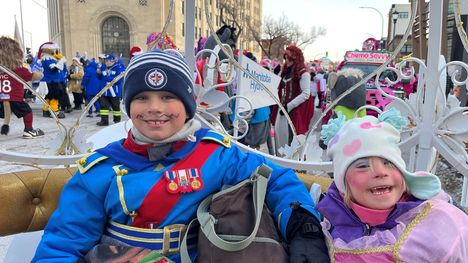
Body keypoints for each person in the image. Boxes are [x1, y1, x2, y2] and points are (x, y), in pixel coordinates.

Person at [32, 50, 329, 263]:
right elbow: (63, 244)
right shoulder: (100, 170)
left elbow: (277, 179)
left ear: (188, 105)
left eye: (168, 97)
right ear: (128, 106)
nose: (154, 108)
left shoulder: (216, 155)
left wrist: (304, 227)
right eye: (142, 98)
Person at [316, 108, 468, 262]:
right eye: (362, 166)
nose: (380, 172)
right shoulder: (332, 222)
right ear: (343, 185)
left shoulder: (438, 224)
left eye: (388, 162)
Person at [0, 36, 45, 138]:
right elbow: (33, 76)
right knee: (27, 112)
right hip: (15, 98)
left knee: (4, 113)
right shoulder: (19, 70)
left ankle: (6, 125)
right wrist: (39, 74)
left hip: (2, 98)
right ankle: (28, 130)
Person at [272, 44, 314, 150]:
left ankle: (292, 165)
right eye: (285, 57)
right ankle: (280, 163)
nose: (287, 60)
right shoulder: (285, 72)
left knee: (292, 142)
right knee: (280, 140)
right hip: (281, 110)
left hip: (294, 112)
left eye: (289, 57)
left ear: (295, 58)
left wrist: (289, 106)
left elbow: (306, 93)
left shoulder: (303, 74)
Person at [96, 54, 125, 126]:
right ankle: (104, 121)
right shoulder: (103, 67)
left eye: (108, 60)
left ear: (112, 61)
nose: (107, 62)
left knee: (116, 107)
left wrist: (108, 78)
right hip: (104, 92)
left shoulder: (118, 67)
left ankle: (117, 121)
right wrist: (98, 73)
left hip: (114, 92)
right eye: (106, 60)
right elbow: (100, 78)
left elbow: (119, 79)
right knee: (103, 107)